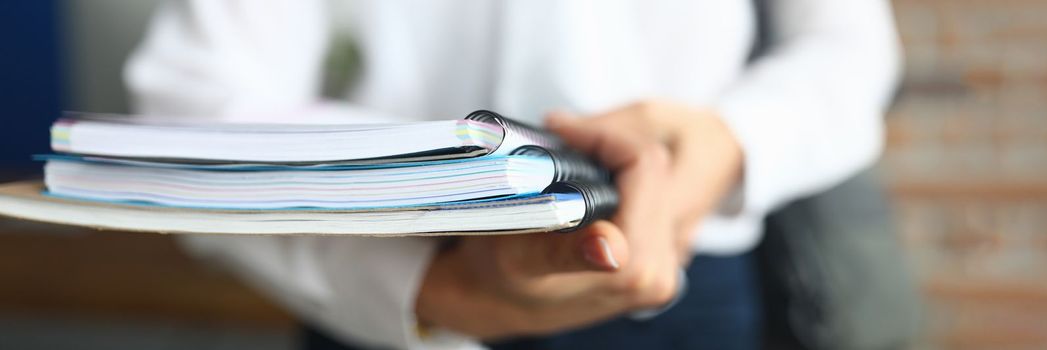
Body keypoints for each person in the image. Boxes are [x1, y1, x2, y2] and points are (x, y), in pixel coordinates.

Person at [125, 1, 901, 349]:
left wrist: (726, 141)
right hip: (393, 289)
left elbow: (848, 46)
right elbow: (193, 91)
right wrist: (421, 288)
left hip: (687, 276)